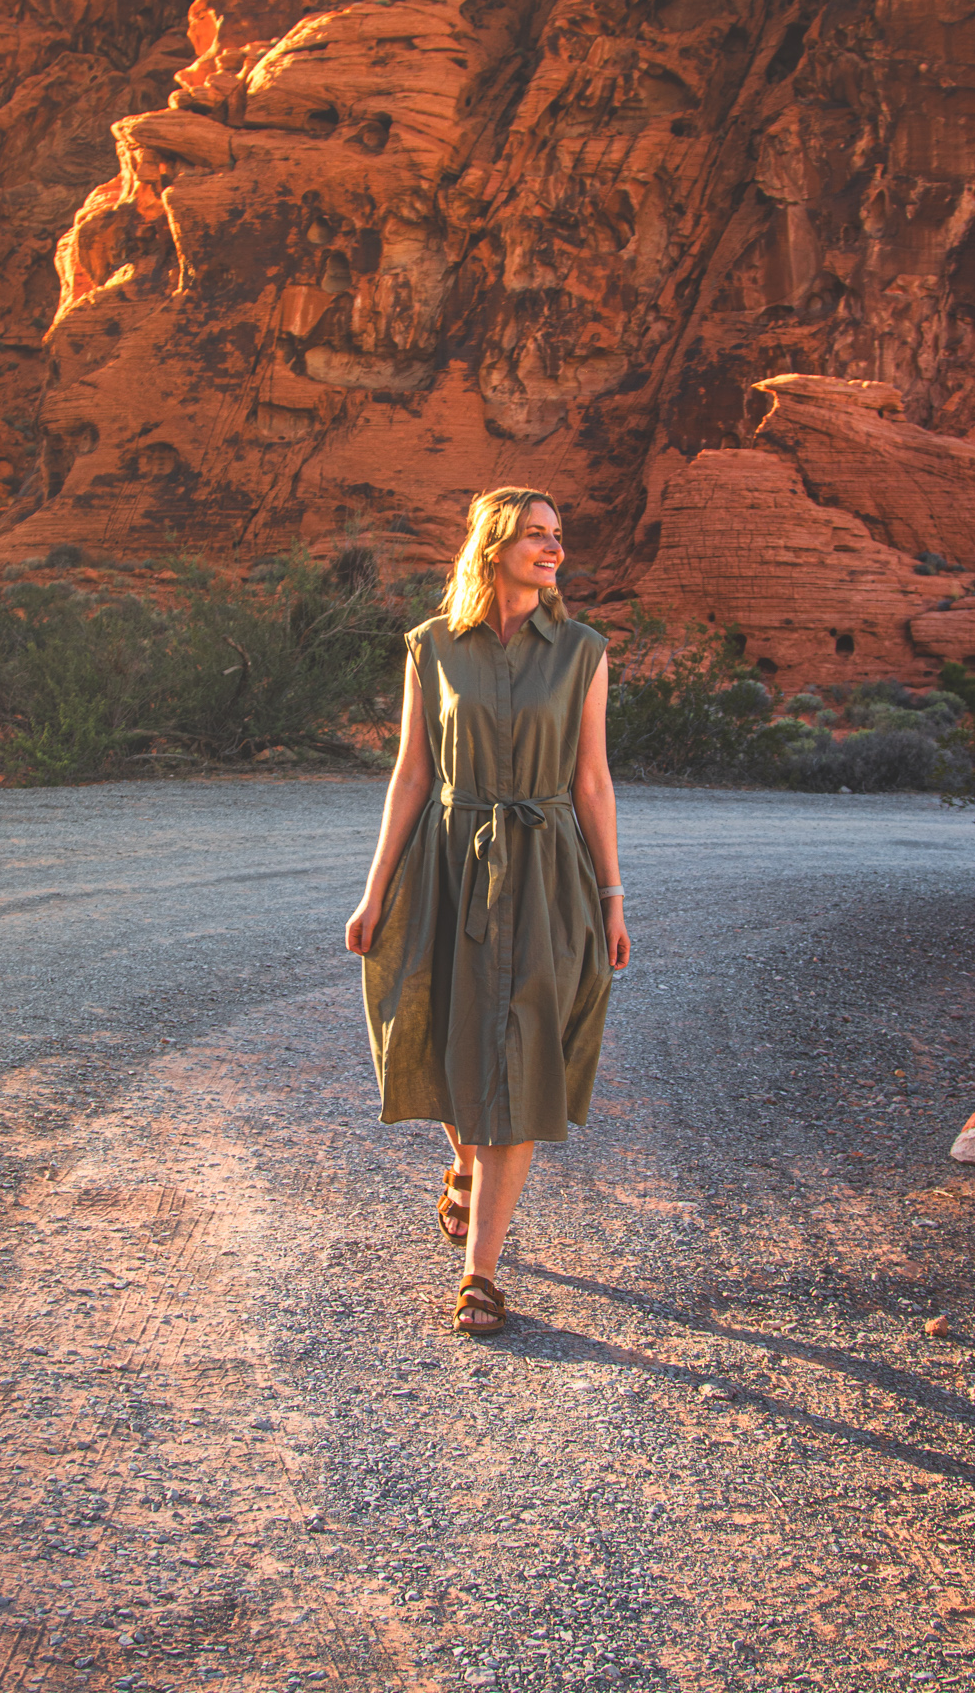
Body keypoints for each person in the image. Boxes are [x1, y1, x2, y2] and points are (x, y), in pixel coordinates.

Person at [345, 486, 631, 1336]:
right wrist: (374, 888)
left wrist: (613, 897)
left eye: (557, 538)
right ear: (494, 543)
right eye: (536, 536)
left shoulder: (582, 650)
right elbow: (409, 776)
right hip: (447, 861)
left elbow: (591, 781)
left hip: (547, 871)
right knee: (434, 1025)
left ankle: (480, 1278)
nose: (553, 550)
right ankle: (462, 1164)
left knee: (523, 1049)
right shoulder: (430, 646)